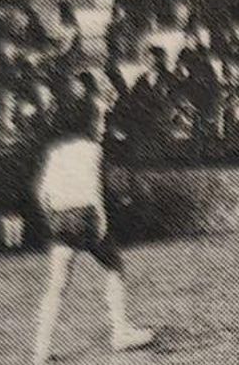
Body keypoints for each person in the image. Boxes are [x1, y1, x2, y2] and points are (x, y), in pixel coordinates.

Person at [31, 76, 155, 363]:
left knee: (57, 284)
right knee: (114, 268)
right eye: (98, 120)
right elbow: (92, 188)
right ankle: (120, 331)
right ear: (87, 124)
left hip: (59, 218)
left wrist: (52, 218)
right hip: (85, 215)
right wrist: (100, 220)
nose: (101, 125)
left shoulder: (56, 151)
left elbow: (43, 193)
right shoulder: (92, 150)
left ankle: (41, 350)